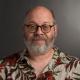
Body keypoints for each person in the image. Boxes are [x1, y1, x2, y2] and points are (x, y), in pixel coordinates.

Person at [0, 6, 80, 80]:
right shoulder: (3, 68)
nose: (38, 32)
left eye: (45, 26)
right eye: (32, 26)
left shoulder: (77, 68)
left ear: (55, 31)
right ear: (24, 30)